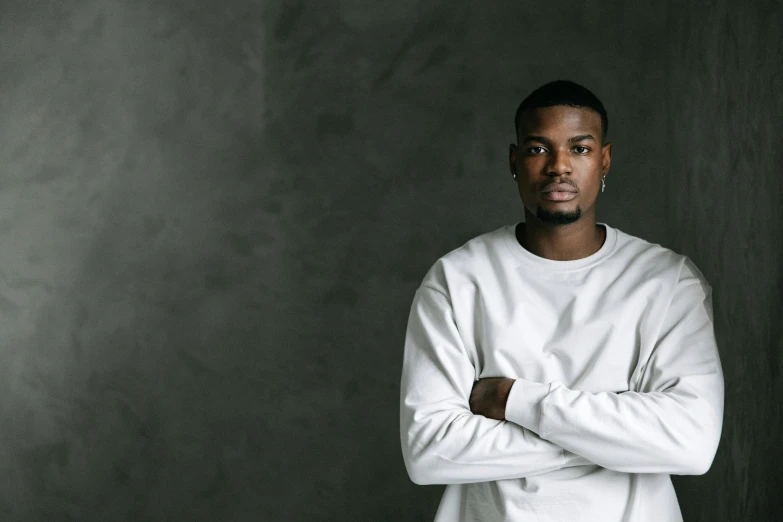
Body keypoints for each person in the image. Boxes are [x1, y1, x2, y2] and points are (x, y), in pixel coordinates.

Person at [399, 80, 724, 522]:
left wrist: (513, 400)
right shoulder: (458, 280)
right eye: (538, 149)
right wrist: (614, 438)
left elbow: (691, 444)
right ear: (514, 161)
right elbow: (429, 451)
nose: (559, 167)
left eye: (580, 149)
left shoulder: (666, 282)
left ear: (604, 160)